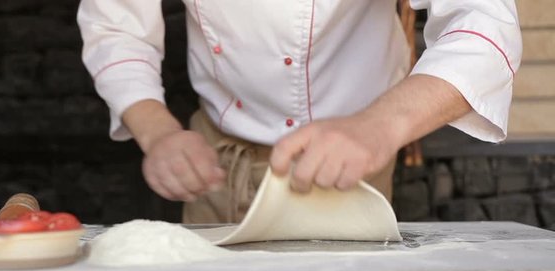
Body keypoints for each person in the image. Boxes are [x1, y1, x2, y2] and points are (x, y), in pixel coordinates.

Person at [77, 1, 522, 224]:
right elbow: (115, 24)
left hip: (353, 165)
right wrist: (156, 131)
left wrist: (380, 126)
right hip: (214, 168)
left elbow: (483, 23)